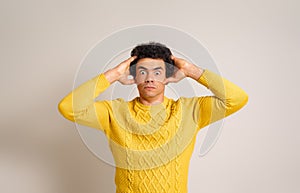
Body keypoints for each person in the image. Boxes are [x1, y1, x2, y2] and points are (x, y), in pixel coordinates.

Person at [58, 42, 248, 193]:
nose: (150, 78)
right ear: (134, 77)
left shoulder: (190, 110)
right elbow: (68, 108)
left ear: (168, 77)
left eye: (157, 72)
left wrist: (191, 70)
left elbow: (236, 99)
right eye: (142, 72)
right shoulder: (114, 112)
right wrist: (114, 74)